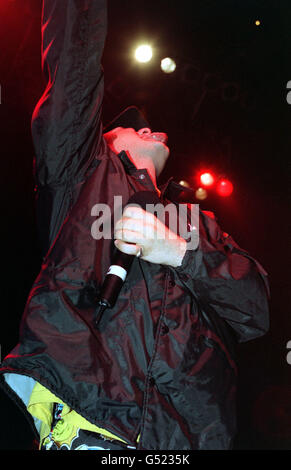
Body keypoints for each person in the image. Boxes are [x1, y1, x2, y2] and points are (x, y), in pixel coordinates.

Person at [0, 0, 269, 451]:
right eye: (129, 127)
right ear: (104, 140)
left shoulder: (199, 224)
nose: (146, 128)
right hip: (91, 424)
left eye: (148, 126)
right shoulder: (83, 172)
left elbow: (255, 310)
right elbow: (73, 69)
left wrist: (181, 253)